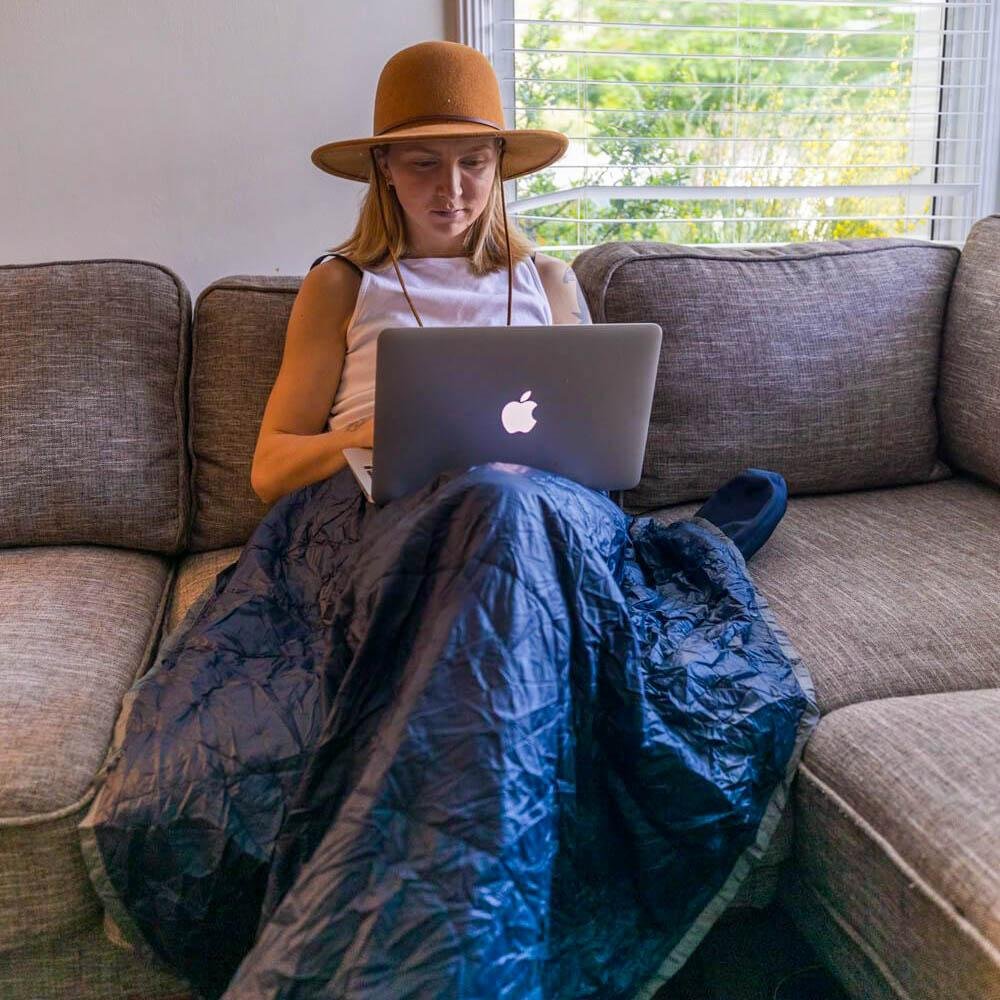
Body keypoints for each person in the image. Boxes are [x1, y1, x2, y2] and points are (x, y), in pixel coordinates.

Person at [77, 39, 819, 1000]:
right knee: (488, 507)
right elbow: (270, 468)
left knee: (512, 503)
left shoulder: (549, 282)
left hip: (542, 519)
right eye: (424, 162)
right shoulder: (342, 283)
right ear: (384, 169)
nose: (453, 186)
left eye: (475, 162)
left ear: (502, 169)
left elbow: (601, 453)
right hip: (390, 521)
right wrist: (381, 425)